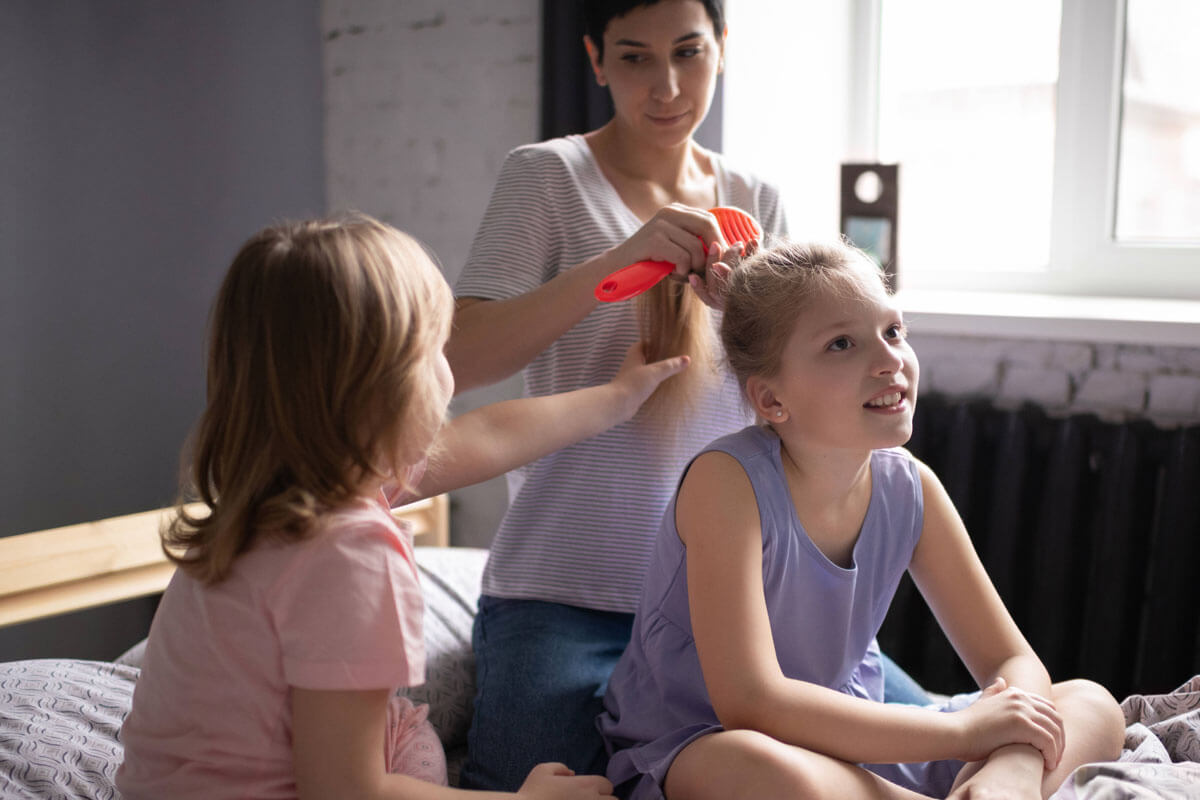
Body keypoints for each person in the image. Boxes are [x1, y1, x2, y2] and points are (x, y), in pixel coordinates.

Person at [447, 0, 926, 790]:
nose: (667, 85)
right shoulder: (547, 176)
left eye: (689, 53)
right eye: (635, 58)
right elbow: (460, 360)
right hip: (562, 596)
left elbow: (790, 394)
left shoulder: (754, 200)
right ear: (596, 60)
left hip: (739, 601)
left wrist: (740, 316)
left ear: (722, 49)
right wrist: (617, 264)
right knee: (523, 784)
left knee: (929, 741)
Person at [116, 214, 691, 800]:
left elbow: (487, 436)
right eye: (434, 351)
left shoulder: (284, 496)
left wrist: (617, 399)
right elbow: (345, 789)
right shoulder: (350, 554)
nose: (448, 373)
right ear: (382, 389)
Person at [596, 239, 1127, 799]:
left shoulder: (911, 486)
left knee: (1092, 704)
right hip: (710, 741)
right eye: (842, 344)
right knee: (763, 769)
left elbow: (1009, 658)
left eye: (894, 332)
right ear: (772, 400)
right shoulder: (725, 482)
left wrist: (1014, 762)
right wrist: (960, 731)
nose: (889, 359)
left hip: (850, 736)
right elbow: (751, 703)